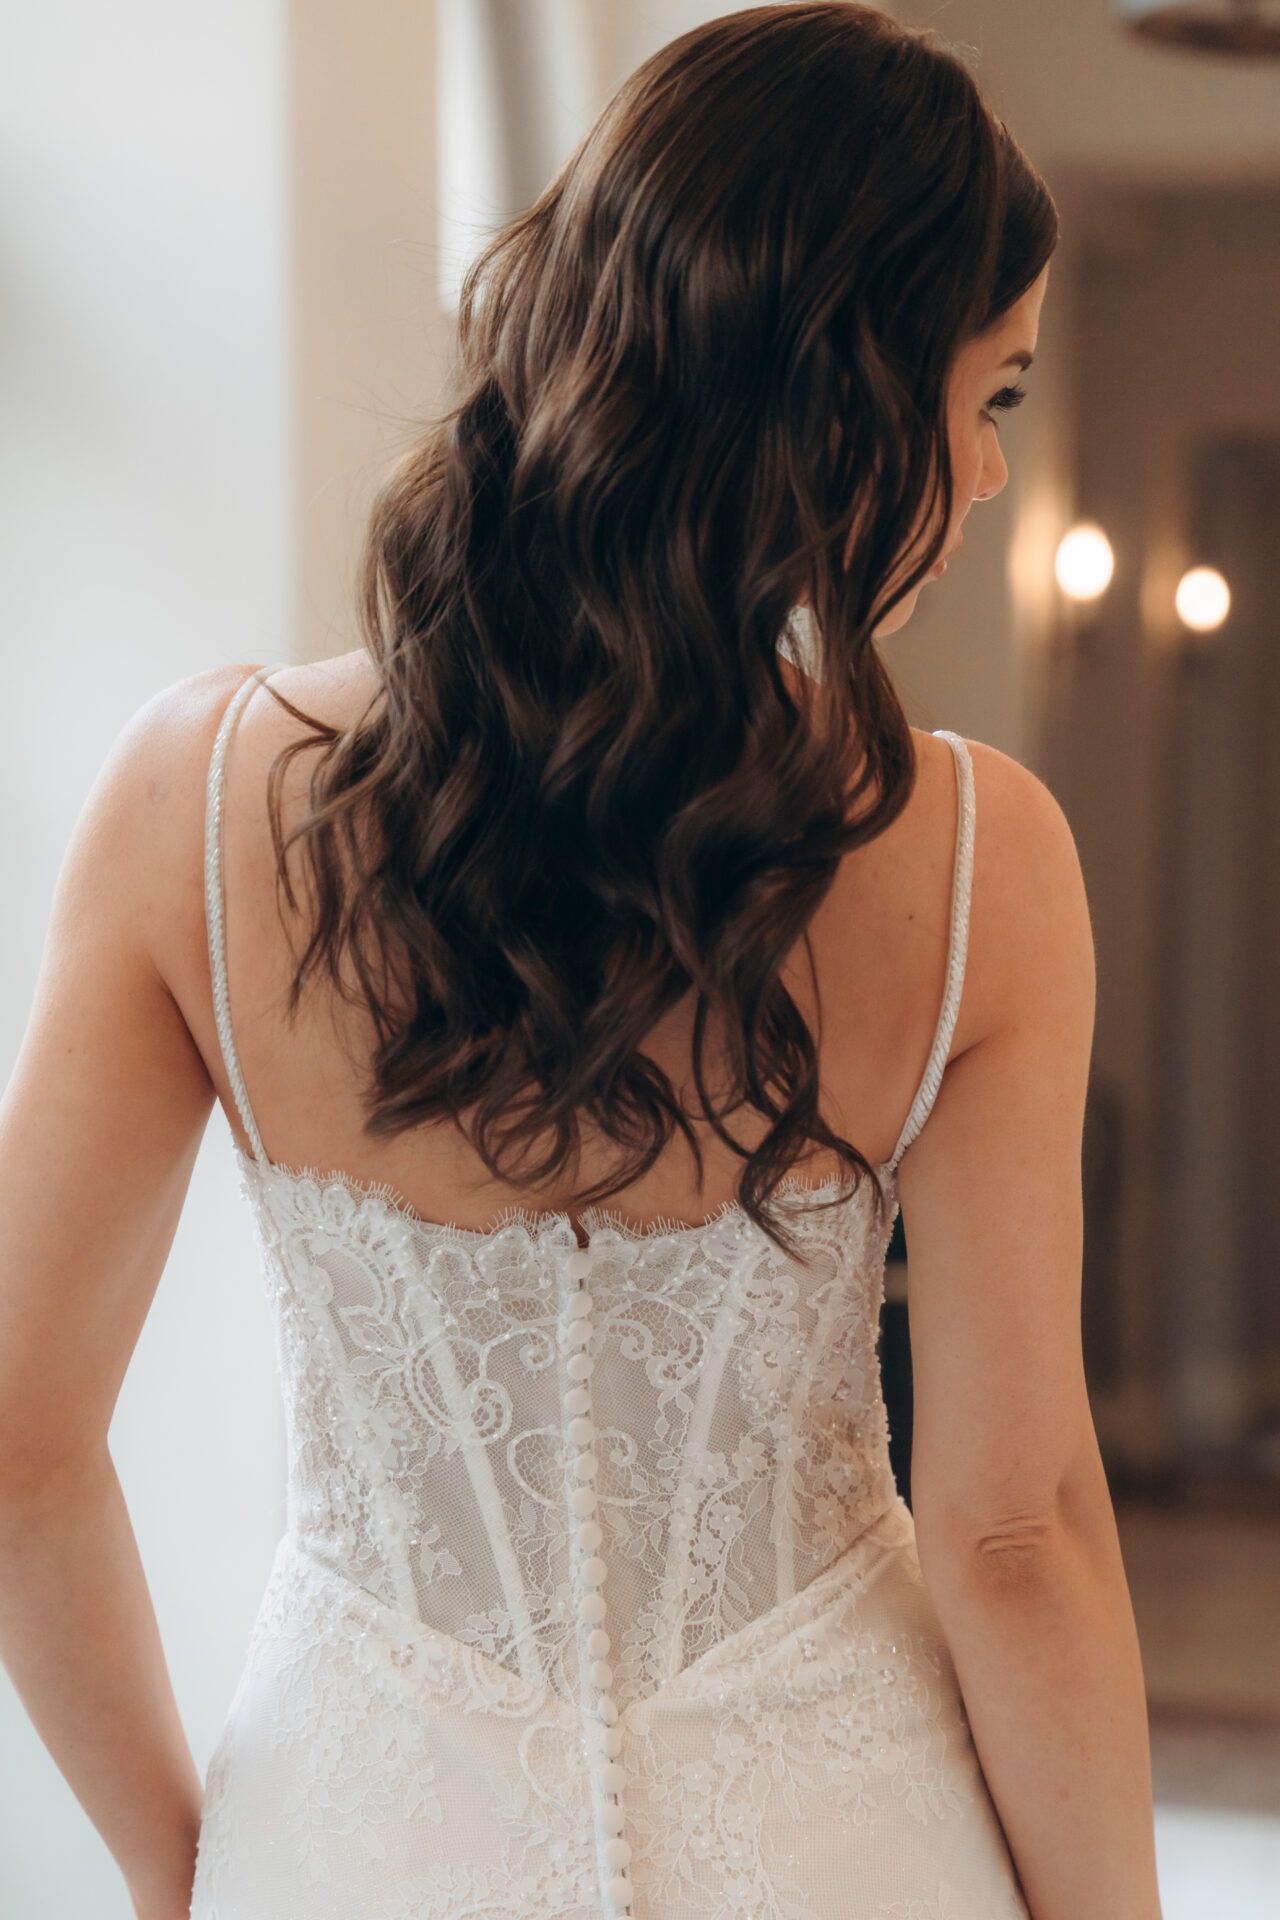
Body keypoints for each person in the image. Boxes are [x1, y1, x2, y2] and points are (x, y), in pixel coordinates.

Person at [0, 5, 1164, 1917]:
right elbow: (1014, 1527)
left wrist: (180, 1867)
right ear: (844, 395)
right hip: (835, 1840)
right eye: (992, 396)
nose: (990, 472)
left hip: (361, 1839)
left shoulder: (188, 807)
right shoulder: (973, 861)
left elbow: (23, 1450)